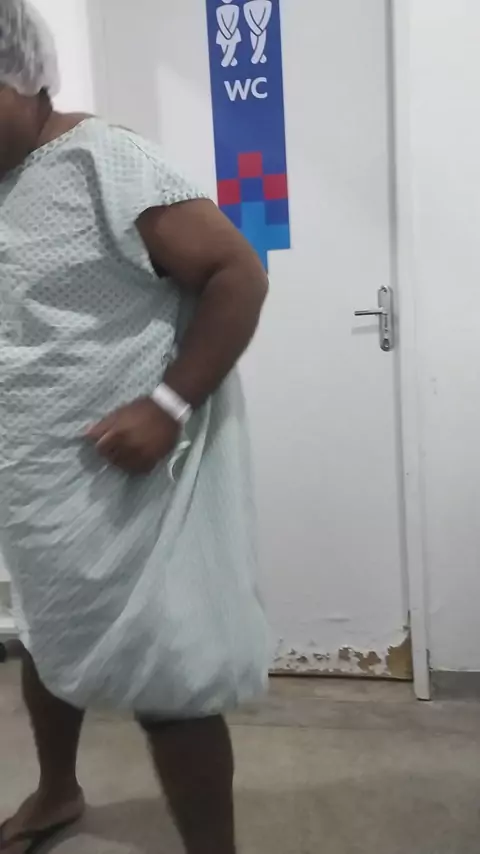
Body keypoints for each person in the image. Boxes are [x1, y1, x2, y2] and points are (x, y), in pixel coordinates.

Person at [0, 2, 271, 854]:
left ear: (28, 79)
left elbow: (237, 272)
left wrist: (167, 405)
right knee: (47, 638)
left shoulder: (106, 162)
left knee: (169, 680)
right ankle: (57, 792)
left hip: (133, 480)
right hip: (37, 480)